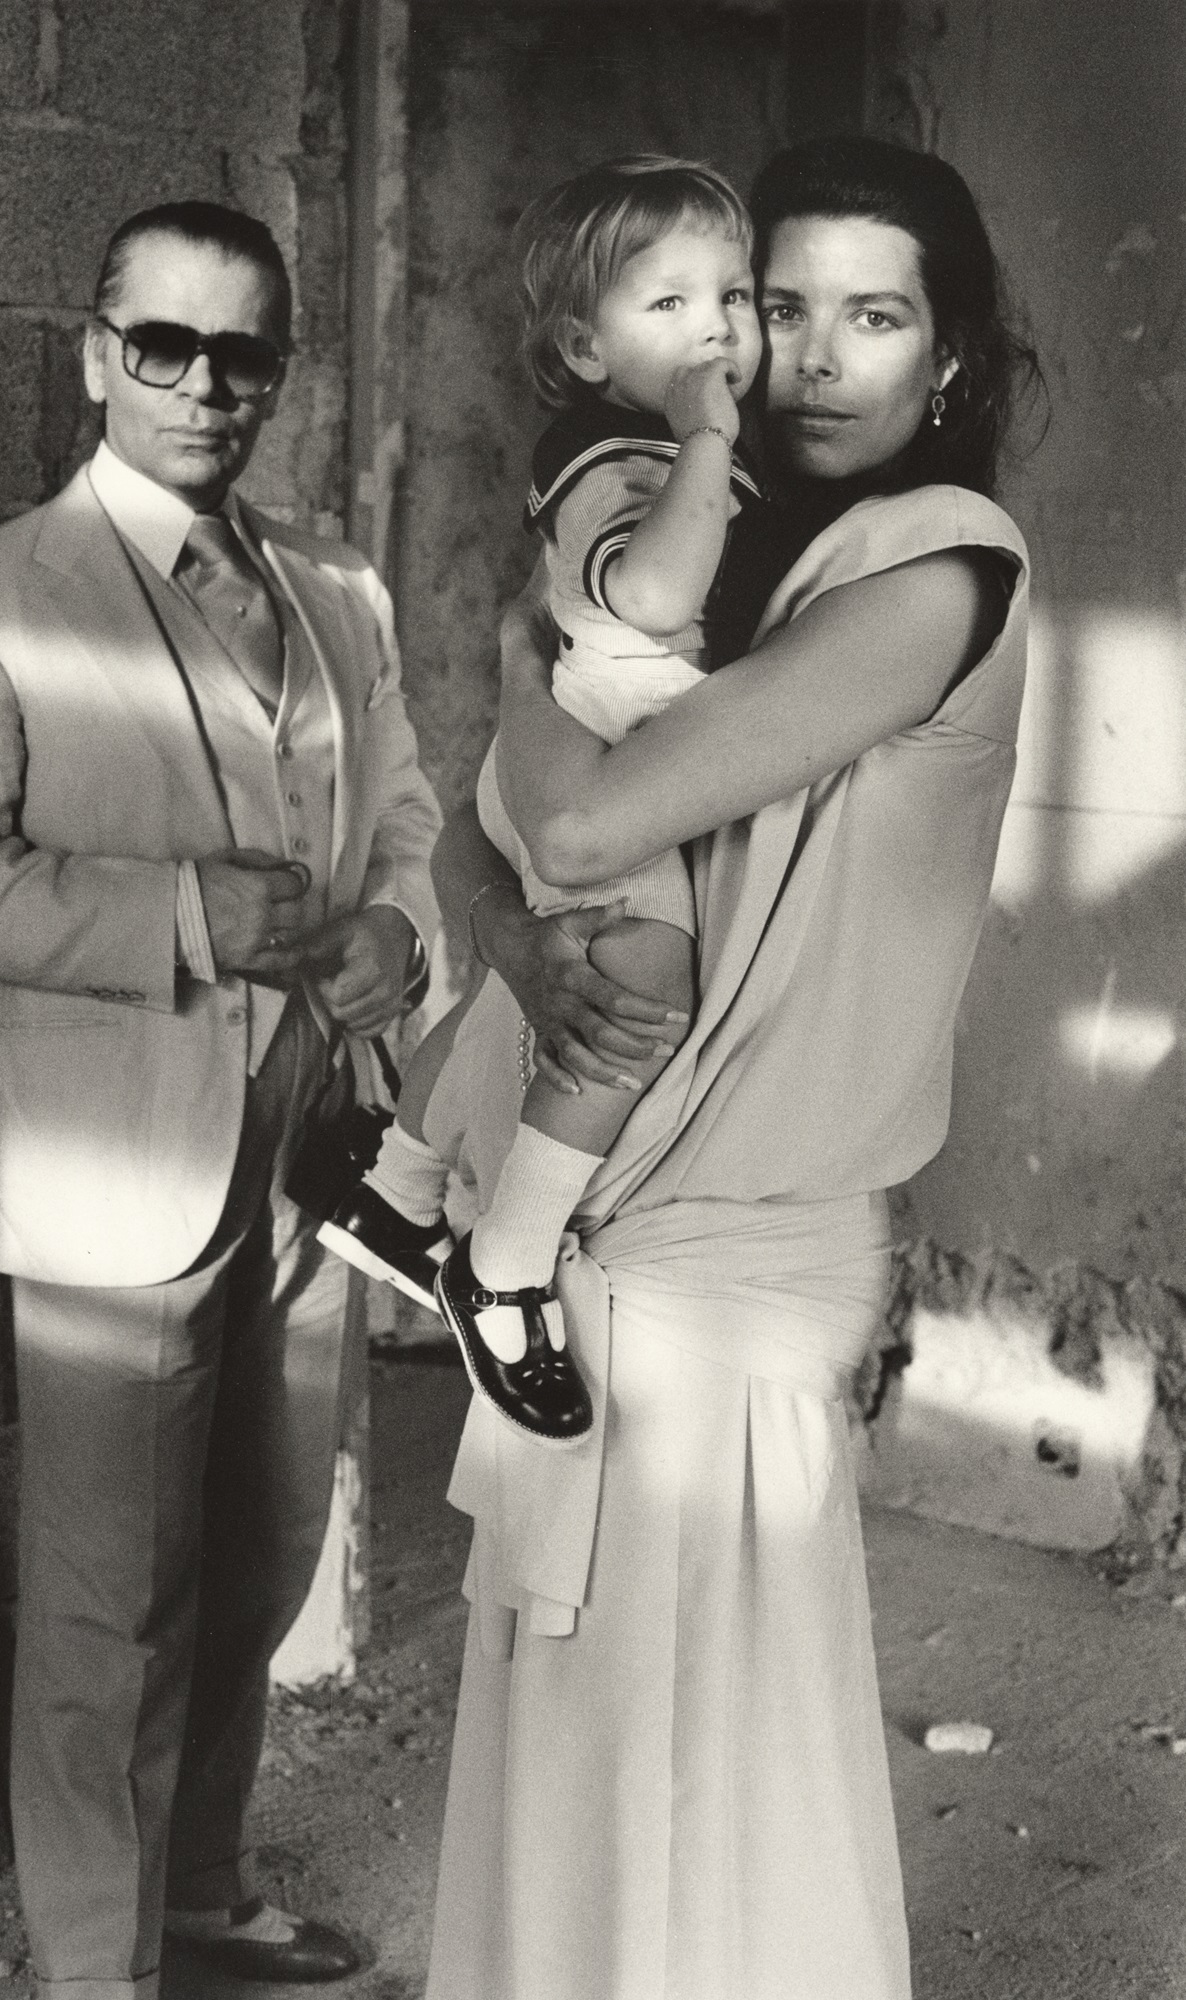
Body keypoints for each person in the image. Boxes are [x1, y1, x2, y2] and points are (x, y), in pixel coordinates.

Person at [422, 135, 1040, 1999]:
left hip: (729, 1243)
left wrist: (526, 666)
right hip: (609, 1216)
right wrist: (508, 926)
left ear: (948, 353)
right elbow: (478, 837)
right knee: (590, 1751)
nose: (818, 355)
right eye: (781, 307)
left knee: (706, 1765)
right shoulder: (712, 546)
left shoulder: (936, 566)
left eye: (877, 316)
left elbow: (574, 819)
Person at [0, 201, 441, 1998]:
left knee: (267, 1551)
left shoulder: (337, 588)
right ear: (97, 355)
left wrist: (403, 937)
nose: (203, 384)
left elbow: (409, 817)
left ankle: (196, 1890)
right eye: (163, 346)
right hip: (111, 1161)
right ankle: (93, 1968)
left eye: (242, 353)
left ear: (279, 372)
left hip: (311, 1141)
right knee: (107, 1600)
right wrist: (180, 916)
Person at [320, 157, 765, 1447]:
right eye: (670, 304)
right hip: (599, 758)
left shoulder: (645, 444)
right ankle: (504, 1267)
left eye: (734, 297)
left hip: (565, 750)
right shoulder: (622, 459)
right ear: (583, 347)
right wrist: (712, 438)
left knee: (519, 992)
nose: (717, 332)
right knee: (642, 985)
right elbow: (658, 596)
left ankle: (396, 1187)